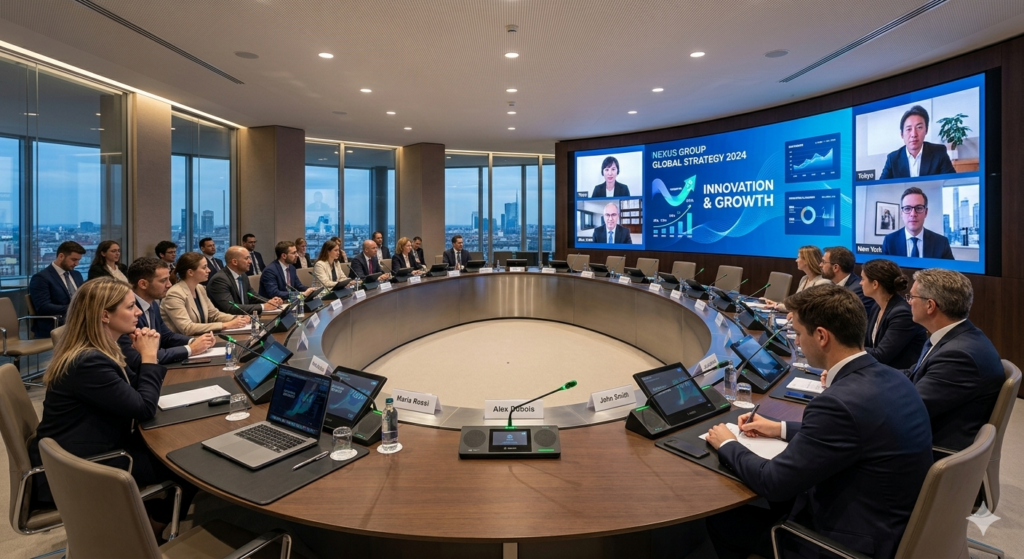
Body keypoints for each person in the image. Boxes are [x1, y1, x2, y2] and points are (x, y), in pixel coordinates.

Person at [705, 284, 933, 559]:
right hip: (893, 524)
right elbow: (855, 432)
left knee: (722, 522)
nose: (797, 342)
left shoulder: (837, 403)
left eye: (799, 334)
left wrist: (728, 444)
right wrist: (780, 428)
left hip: (850, 544)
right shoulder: (893, 377)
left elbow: (773, 483)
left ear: (822, 336)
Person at [27, 278, 198, 540]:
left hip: (95, 447)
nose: (138, 312)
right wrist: (149, 356)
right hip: (83, 466)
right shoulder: (88, 361)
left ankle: (144, 518)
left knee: (178, 445)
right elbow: (144, 407)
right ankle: (150, 534)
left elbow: (136, 389)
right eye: (130, 307)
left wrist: (145, 356)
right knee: (187, 466)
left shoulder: (102, 349)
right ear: (104, 315)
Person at [904, 268, 1003, 451]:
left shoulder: (959, 356)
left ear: (930, 305)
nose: (909, 302)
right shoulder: (959, 336)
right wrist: (868, 376)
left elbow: (909, 409)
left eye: (912, 297)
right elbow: (913, 373)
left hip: (933, 449)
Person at [118, 257, 216, 370]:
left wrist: (194, 341)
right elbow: (141, 356)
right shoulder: (125, 312)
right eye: (163, 280)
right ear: (143, 284)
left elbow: (166, 336)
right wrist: (191, 349)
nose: (169, 284)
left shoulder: (152, 304)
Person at [160, 252, 249, 335]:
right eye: (204, 267)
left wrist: (238, 318)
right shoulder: (174, 294)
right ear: (190, 272)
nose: (209, 270)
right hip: (183, 343)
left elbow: (214, 315)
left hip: (202, 339)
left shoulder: (200, 288)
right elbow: (187, 328)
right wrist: (226, 325)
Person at [861, 259, 928, 369]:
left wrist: (847, 348)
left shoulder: (902, 314)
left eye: (863, 279)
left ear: (875, 284)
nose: (860, 283)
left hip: (901, 375)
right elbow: (868, 344)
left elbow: (881, 355)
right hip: (880, 371)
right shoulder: (877, 307)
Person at [879, 105, 956, 180]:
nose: (914, 134)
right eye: (909, 129)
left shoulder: (939, 152)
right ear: (902, 134)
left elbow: (952, 182)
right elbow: (881, 186)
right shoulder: (892, 159)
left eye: (919, 127)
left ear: (926, 130)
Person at [28, 240, 86, 338]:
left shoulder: (76, 275)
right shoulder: (41, 278)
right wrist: (75, 308)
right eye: (74, 260)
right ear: (61, 256)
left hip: (77, 320)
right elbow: (43, 307)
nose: (77, 264)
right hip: (56, 323)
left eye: (78, 260)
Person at [207, 246, 284, 315]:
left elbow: (252, 296)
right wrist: (263, 307)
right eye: (246, 258)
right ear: (234, 262)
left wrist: (271, 302)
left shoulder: (243, 275)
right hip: (228, 322)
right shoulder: (219, 280)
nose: (250, 261)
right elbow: (230, 308)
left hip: (245, 318)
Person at [881, 187, 954, 259]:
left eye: (919, 208)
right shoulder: (889, 241)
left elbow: (950, 267)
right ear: (902, 213)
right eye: (907, 208)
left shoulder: (941, 243)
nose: (913, 214)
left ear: (926, 212)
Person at [764, 245, 830, 311]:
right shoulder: (804, 279)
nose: (796, 260)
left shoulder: (823, 283)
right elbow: (796, 304)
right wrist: (776, 304)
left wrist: (778, 306)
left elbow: (806, 308)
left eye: (798, 257)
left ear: (807, 260)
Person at [821, 246, 876, 316]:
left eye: (824, 262)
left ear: (836, 267)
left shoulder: (858, 290)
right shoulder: (831, 285)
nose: (820, 265)